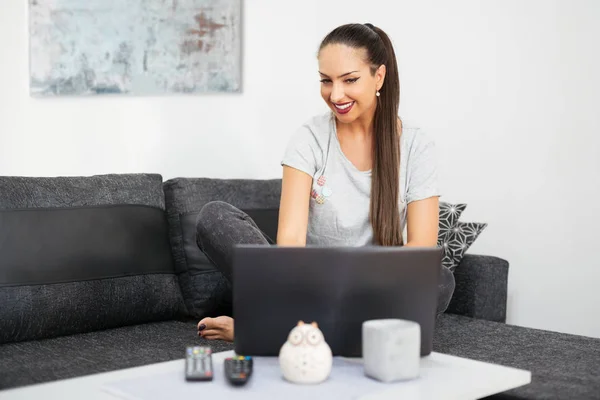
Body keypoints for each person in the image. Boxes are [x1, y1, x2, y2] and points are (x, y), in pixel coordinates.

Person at [195, 23, 455, 342]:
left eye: (350, 80)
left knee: (440, 280)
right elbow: (290, 243)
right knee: (214, 217)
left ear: (379, 77)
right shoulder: (309, 138)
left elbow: (421, 247)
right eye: (326, 81)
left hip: (373, 288)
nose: (335, 95)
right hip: (305, 284)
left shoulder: (416, 146)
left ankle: (278, 329)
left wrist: (355, 283)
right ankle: (321, 327)